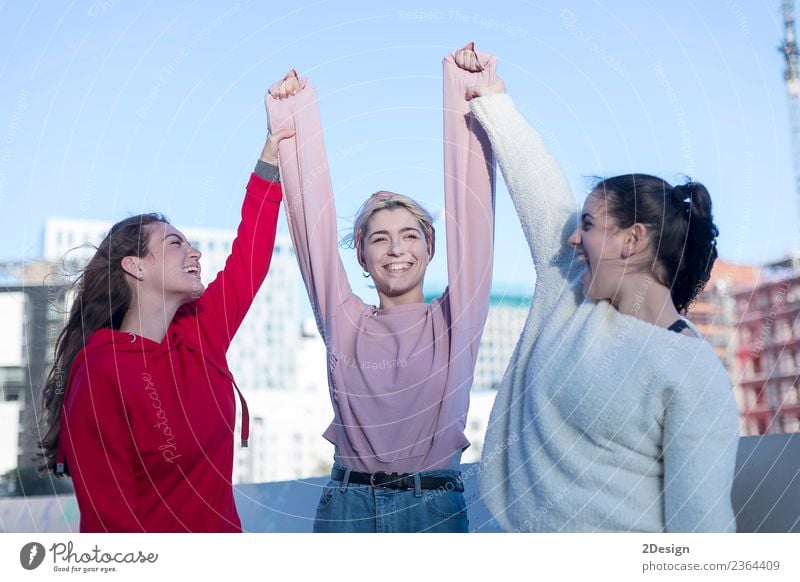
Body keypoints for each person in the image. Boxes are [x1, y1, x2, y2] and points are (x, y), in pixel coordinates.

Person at [465, 78, 740, 532]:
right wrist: (490, 97)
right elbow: (540, 186)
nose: (574, 236)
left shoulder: (693, 374)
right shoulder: (568, 292)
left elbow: (702, 529)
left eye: (589, 224)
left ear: (633, 239)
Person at [36, 91, 294, 532]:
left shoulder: (200, 332)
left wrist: (273, 151)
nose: (194, 252)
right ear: (134, 266)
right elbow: (109, 519)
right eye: (175, 243)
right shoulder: (100, 372)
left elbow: (249, 256)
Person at [266, 43, 496, 532]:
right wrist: (295, 117)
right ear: (364, 257)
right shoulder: (344, 321)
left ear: (431, 248)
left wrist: (466, 94)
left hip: (430, 512)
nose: (397, 249)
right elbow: (312, 230)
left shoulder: (457, 322)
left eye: (411, 236)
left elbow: (474, 215)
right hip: (348, 509)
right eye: (381, 239)